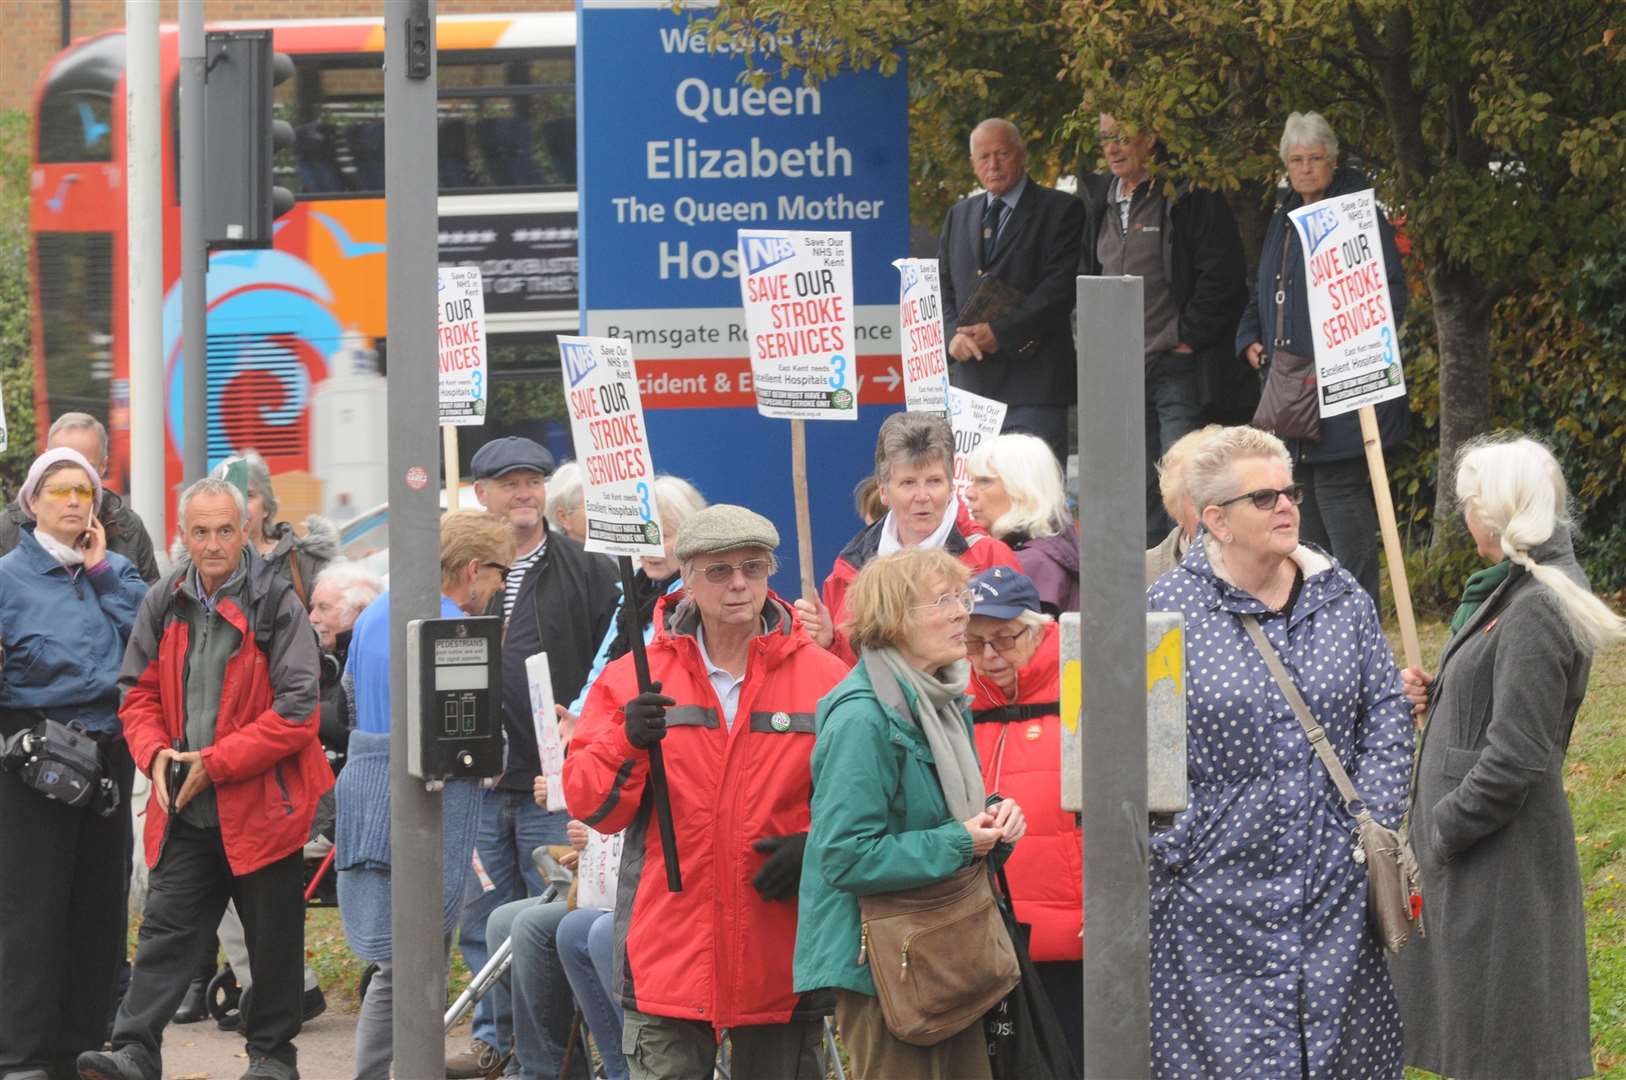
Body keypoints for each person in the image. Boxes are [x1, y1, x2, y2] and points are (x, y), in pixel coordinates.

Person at [1144, 425, 1412, 1077]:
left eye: (1289, 491)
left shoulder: (1339, 595)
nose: (1288, 505)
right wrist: (1182, 845)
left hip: (1332, 887)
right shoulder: (1164, 614)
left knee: (1340, 1053)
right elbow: (1133, 747)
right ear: (1216, 521)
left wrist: (1370, 818)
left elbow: (1384, 711)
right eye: (1264, 499)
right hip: (1215, 900)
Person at [563, 505, 850, 1080]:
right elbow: (591, 805)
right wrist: (626, 742)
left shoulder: (827, 677)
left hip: (782, 952)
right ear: (687, 580)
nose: (739, 583)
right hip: (666, 948)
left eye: (752, 566)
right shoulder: (633, 676)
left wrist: (816, 850)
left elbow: (866, 807)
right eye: (719, 571)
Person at [79, 476, 330, 1080]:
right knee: (165, 933)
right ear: (184, 536)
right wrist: (155, 755)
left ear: (245, 530)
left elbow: (299, 711)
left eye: (225, 530)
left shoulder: (277, 602)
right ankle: (135, 1050)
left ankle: (273, 1058)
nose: (214, 543)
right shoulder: (164, 599)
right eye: (201, 532)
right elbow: (136, 694)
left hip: (265, 809)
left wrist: (216, 764)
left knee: (272, 945)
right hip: (185, 807)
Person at [1389, 436, 1624, 1080]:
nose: (1465, 517)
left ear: (1498, 511)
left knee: (1509, 1048)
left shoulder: (1536, 605)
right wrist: (1442, 696)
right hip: (1485, 858)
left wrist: (1442, 828)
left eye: (1470, 504)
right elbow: (1504, 704)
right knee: (1489, 1040)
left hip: (1499, 860)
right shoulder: (1520, 589)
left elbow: (1517, 755)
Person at [795, 547, 1026, 1080]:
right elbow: (845, 856)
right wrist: (962, 840)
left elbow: (945, 823)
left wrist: (994, 823)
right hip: (884, 967)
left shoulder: (943, 700)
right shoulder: (863, 718)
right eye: (942, 600)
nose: (961, 612)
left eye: (960, 597)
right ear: (894, 620)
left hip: (944, 952)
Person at [455, 436, 619, 1077]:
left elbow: (612, 660)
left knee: (550, 917)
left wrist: (583, 723)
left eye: (533, 482)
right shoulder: (463, 564)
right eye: (510, 483)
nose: (525, 494)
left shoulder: (586, 566)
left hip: (555, 782)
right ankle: (494, 1038)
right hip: (481, 781)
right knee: (483, 917)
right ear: (481, 494)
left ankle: (556, 1050)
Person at [335, 511, 517, 1080]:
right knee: (411, 967)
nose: (497, 589)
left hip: (367, 796)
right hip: (423, 810)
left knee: (397, 963)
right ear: (470, 568)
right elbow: (475, 743)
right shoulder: (453, 631)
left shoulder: (375, 615)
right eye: (499, 574)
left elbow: (347, 696)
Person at [0, 448, 147, 1080]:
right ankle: (23, 1054)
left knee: (98, 908)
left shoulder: (113, 568)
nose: (70, 502)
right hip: (31, 754)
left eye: (82, 492)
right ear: (32, 502)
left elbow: (153, 641)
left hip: (109, 755)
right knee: (31, 909)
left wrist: (104, 571)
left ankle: (83, 1045)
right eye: (57, 491)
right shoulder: (7, 576)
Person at [1236, 111, 1409, 604]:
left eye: (1315, 159)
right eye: (1297, 160)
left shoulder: (1357, 215)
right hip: (1290, 394)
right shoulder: (1281, 220)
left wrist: (1350, 354)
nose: (1306, 168)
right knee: (1300, 505)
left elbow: (1390, 294)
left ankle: (1360, 618)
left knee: (1341, 500)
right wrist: (1249, 335)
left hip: (1344, 391)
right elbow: (1263, 289)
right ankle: (1317, 618)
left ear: (1333, 162)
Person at [1077, 116, 1250, 543]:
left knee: (1185, 482)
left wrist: (1186, 338)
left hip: (1175, 365)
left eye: (1122, 137)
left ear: (1151, 137)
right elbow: (1085, 274)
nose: (1113, 148)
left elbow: (1222, 277)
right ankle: (1149, 590)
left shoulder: (1187, 195)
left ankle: (1196, 581)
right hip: (1119, 371)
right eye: (1105, 139)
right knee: (1135, 486)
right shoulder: (1099, 198)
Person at [962, 566, 1082, 1067]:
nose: (990, 656)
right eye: (975, 642)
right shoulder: (954, 702)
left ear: (1039, 628)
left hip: (1075, 942)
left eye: (1005, 638)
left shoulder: (1083, 685)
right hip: (989, 939)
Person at [797, 412, 1020, 665]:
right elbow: (843, 678)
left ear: (950, 487)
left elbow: (1019, 658)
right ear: (883, 490)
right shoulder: (849, 570)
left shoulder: (990, 558)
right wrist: (829, 644)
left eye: (934, 481)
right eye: (908, 483)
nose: (922, 496)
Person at [938, 117, 1085, 460]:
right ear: (973, 163)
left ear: (1022, 154)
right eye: (983, 157)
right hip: (973, 390)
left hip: (1035, 387)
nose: (993, 164)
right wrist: (950, 336)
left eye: (1002, 153)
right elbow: (941, 288)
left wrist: (1000, 332)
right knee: (979, 503)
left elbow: (1059, 289)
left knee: (1036, 504)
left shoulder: (1061, 210)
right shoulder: (959, 215)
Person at [0, 413, 160, 582]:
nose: (74, 478)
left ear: (103, 466)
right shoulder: (8, 529)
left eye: (85, 467)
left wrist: (104, 578)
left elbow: (149, 603)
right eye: (61, 466)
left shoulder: (128, 527)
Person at [963, 432, 1079, 613]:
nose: (969, 492)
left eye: (984, 481)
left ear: (1021, 489)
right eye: (972, 480)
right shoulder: (1053, 546)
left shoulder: (1032, 565)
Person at [1145, 424, 1222, 584]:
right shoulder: (1144, 573)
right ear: (1177, 510)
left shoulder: (1279, 562)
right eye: (1201, 498)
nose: (1217, 510)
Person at [545, 461, 588, 544]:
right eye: (591, 507)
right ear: (563, 518)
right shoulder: (555, 555)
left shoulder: (618, 552)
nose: (604, 511)